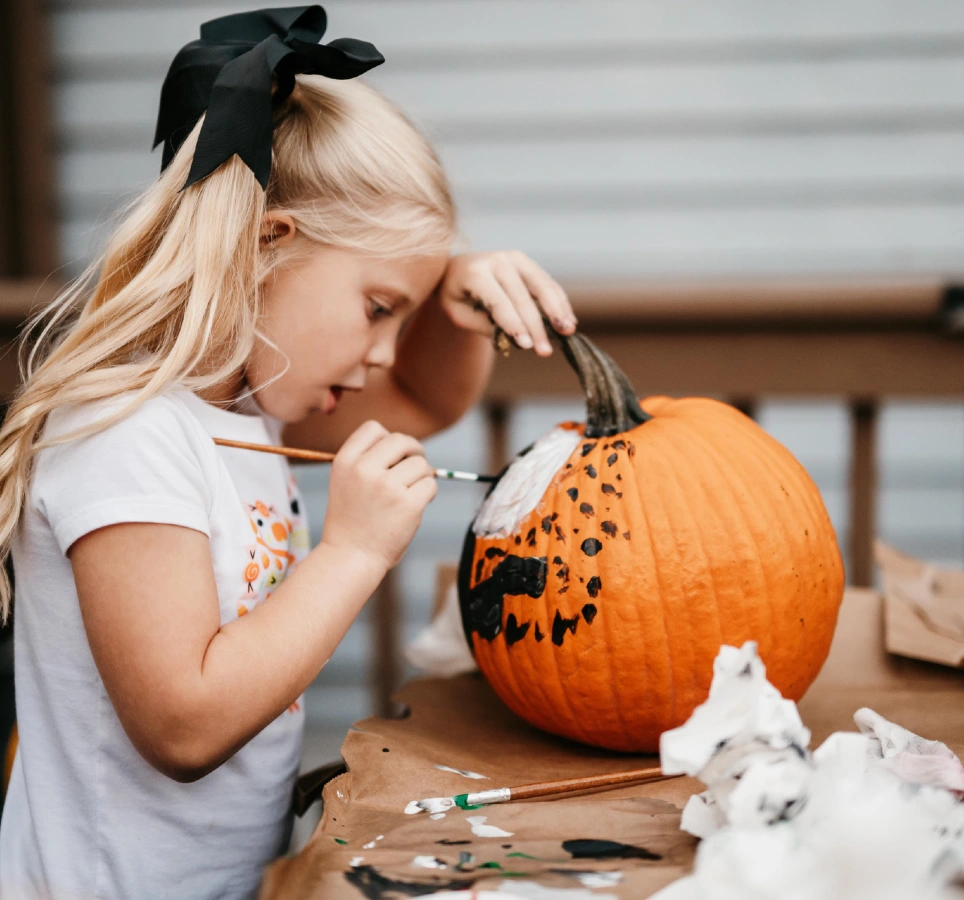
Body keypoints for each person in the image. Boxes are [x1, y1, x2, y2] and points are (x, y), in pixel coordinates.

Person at [0, 7, 576, 899]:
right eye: (380, 308)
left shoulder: (250, 405)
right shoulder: (127, 431)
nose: (385, 352)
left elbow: (426, 400)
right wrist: (352, 553)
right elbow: (183, 728)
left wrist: (455, 293)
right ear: (270, 245)